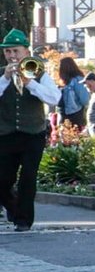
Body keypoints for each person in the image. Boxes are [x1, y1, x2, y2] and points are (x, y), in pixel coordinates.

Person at [0, 29, 63, 232]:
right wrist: (6, 79)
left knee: (28, 176)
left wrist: (31, 84)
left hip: (33, 133)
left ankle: (24, 220)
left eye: (15, 51)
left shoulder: (39, 72)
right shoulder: (2, 74)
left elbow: (54, 98)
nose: (12, 56)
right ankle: (12, 207)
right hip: (6, 133)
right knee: (3, 179)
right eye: (8, 52)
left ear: (26, 51)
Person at [55, 56, 89, 130]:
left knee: (66, 137)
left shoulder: (67, 82)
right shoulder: (77, 80)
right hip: (75, 112)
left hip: (67, 113)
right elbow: (84, 99)